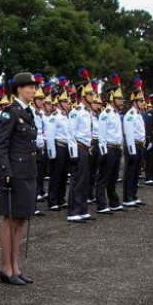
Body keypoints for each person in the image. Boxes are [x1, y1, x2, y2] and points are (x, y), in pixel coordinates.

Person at [0, 72, 38, 285]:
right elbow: (0, 146)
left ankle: (16, 267)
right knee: (10, 220)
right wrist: (6, 173)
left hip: (27, 172)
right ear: (20, 89)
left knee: (21, 220)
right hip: (15, 174)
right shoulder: (9, 113)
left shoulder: (28, 112)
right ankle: (6, 268)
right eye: (30, 87)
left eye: (34, 87)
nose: (34, 91)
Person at [95, 74, 125, 214]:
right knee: (103, 177)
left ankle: (113, 202)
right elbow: (102, 134)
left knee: (113, 177)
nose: (122, 101)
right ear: (112, 97)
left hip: (117, 148)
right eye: (119, 98)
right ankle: (101, 204)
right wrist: (104, 151)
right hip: (109, 148)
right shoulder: (106, 113)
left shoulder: (116, 113)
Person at [67, 73, 94, 222]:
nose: (93, 96)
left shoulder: (86, 112)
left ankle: (82, 209)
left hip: (86, 148)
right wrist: (73, 153)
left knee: (85, 180)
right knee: (77, 180)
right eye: (90, 94)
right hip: (78, 147)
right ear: (83, 96)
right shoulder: (76, 112)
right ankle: (74, 211)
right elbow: (70, 133)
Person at [44, 79, 74, 212]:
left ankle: (61, 199)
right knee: (56, 175)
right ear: (59, 103)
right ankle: (52, 201)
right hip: (58, 146)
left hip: (66, 147)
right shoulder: (54, 116)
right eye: (65, 102)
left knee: (63, 175)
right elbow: (50, 136)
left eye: (68, 101)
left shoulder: (67, 116)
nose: (68, 103)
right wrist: (52, 153)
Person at [122, 78, 146, 208]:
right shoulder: (130, 115)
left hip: (139, 145)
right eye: (141, 101)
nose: (143, 103)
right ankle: (127, 197)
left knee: (136, 173)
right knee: (130, 173)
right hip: (133, 146)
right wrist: (131, 150)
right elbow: (129, 134)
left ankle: (134, 195)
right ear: (135, 102)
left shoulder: (138, 114)